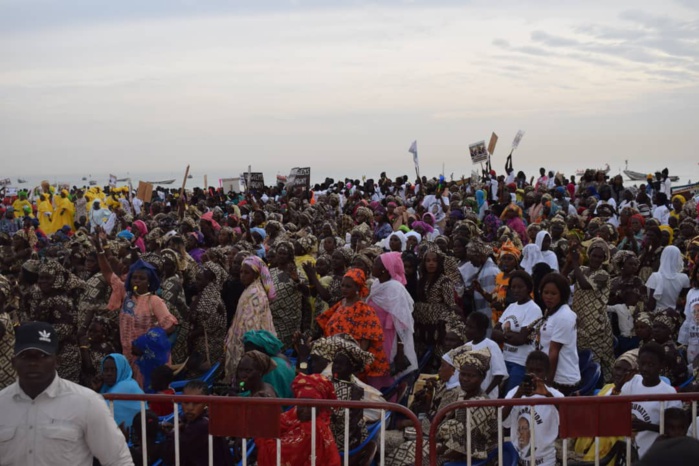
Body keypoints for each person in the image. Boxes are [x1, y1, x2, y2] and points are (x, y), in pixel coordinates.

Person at [0, 322, 133, 465]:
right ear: (13, 362)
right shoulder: (2, 404)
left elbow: (119, 460)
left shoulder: (87, 402)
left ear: (57, 361)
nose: (34, 363)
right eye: (26, 356)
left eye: (42, 355)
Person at [316, 268, 390, 388]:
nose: (344, 289)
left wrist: (354, 365)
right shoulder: (341, 304)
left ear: (357, 288)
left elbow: (365, 342)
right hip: (332, 360)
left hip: (350, 366)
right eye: (343, 285)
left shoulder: (364, 310)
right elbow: (324, 321)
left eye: (348, 286)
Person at [255, 373, 341, 466]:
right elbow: (270, 426)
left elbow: (284, 455)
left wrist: (265, 441)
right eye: (301, 404)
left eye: (309, 406)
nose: (304, 410)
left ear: (318, 407)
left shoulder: (313, 428)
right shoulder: (293, 414)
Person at [620, 342, 682, 458]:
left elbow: (675, 430)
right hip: (629, 453)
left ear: (661, 365)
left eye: (651, 365)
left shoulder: (668, 393)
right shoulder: (633, 383)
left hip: (654, 455)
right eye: (642, 364)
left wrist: (647, 426)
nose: (645, 369)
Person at [503, 351, 564, 466]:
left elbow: (568, 419)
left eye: (539, 371)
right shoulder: (514, 393)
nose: (534, 374)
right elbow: (502, 419)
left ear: (547, 373)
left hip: (545, 461)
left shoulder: (556, 395)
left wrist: (548, 395)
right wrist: (518, 394)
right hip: (518, 459)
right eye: (530, 370)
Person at [568, 239, 615, 383]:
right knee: (580, 357)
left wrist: (575, 263)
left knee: (596, 360)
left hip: (596, 324)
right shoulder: (581, 269)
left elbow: (584, 284)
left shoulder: (603, 275)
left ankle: (599, 388)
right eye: (594, 255)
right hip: (579, 321)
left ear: (604, 259)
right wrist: (570, 258)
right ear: (589, 255)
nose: (596, 259)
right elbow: (564, 280)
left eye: (600, 257)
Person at [224, 254, 277, 382]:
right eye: (241, 272)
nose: (242, 275)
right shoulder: (249, 290)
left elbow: (251, 325)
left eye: (247, 273)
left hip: (250, 347)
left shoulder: (256, 294)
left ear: (256, 274)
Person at [367, 252, 419, 380]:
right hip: (375, 336)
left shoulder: (395, 289)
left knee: (387, 373)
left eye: (376, 264)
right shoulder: (376, 285)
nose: (372, 266)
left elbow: (402, 322)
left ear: (385, 269)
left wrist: (400, 352)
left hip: (389, 338)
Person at [161, 380, 234, 466]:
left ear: (206, 402)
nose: (190, 408)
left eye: (196, 403)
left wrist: (174, 432)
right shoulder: (189, 421)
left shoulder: (203, 425)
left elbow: (170, 455)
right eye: (186, 402)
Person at [492, 270, 543, 392]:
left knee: (511, 398)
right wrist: (510, 336)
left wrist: (504, 336)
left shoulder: (534, 309)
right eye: (513, 287)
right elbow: (494, 333)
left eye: (520, 287)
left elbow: (521, 339)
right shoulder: (511, 307)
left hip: (521, 363)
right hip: (504, 360)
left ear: (528, 288)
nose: (516, 290)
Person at [532, 272, 581, 395]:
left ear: (562, 295)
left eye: (553, 294)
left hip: (561, 379)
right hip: (547, 374)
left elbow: (554, 352)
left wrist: (548, 385)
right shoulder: (550, 311)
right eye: (545, 292)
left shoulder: (564, 316)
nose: (548, 297)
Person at [462, 312, 508, 399]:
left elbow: (499, 375)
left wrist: (484, 394)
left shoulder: (491, 346)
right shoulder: (466, 347)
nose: (466, 329)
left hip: (487, 399)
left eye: (471, 327)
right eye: (466, 326)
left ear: (482, 329)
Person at [98, 353, 146, 430]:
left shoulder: (127, 386)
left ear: (122, 369)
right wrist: (95, 389)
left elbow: (98, 410)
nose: (109, 374)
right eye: (106, 370)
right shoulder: (105, 387)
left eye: (113, 370)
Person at [243, 329, 296, 399]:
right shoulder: (282, 359)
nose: (247, 355)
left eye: (250, 352)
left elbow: (262, 394)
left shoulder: (269, 368)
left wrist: (239, 395)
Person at [646, 245, 689, 312]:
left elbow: (651, 305)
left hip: (657, 314)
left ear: (663, 257)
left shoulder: (655, 277)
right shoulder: (684, 278)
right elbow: (684, 300)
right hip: (675, 315)